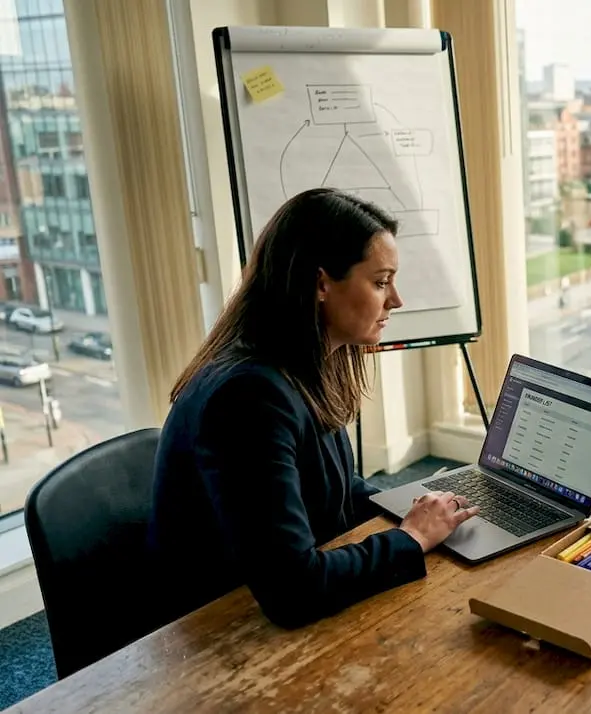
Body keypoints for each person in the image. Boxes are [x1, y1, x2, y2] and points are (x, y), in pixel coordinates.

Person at [146, 188, 479, 629]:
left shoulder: (303, 364)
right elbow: (292, 589)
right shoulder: (249, 398)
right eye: (381, 282)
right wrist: (411, 537)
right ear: (321, 283)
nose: (395, 300)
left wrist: (411, 506)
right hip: (222, 629)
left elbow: (333, 491)